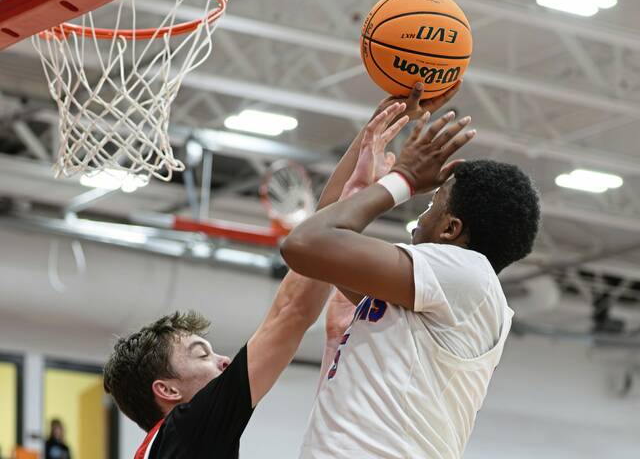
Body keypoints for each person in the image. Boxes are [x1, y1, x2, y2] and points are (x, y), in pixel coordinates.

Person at [103, 82, 462, 459]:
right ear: (168, 391)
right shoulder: (190, 429)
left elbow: (311, 289)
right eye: (200, 354)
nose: (223, 361)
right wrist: (394, 181)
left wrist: (371, 140)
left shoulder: (159, 449)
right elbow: (290, 310)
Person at [281, 100, 541, 458]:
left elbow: (305, 244)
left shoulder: (468, 276)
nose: (421, 216)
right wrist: (375, 132)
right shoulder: (440, 292)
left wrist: (402, 179)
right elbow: (318, 244)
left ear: (451, 228)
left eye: (433, 204)